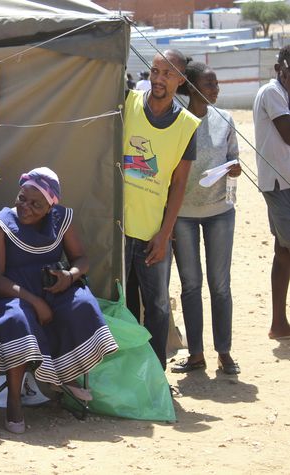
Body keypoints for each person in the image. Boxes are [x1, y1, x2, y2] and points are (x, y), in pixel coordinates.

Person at [0, 167, 118, 434]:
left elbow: (82, 259)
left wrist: (69, 276)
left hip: (52, 287)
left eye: (36, 204)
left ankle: (64, 373)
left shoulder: (62, 219)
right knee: (18, 318)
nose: (26, 207)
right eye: (22, 198)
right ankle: (14, 400)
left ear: (50, 206)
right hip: (9, 293)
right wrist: (35, 301)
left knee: (82, 304)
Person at [123, 49, 201, 369]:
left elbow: (179, 185)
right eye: (155, 71)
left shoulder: (186, 125)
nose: (158, 79)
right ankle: (128, 375)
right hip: (120, 228)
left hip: (153, 232)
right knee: (123, 306)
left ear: (180, 81)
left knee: (156, 307)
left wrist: (165, 233)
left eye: (168, 74)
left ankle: (156, 377)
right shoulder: (127, 104)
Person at [170, 61, 242, 375]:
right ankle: (196, 353)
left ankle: (223, 351)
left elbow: (233, 160)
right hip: (183, 215)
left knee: (220, 285)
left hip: (220, 214)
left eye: (216, 83)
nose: (216, 89)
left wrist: (234, 169)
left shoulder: (226, 119)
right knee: (190, 285)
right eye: (210, 83)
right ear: (193, 87)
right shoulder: (177, 122)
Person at [252, 45, 290, 341]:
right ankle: (279, 323)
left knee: (283, 250)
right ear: (281, 68)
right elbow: (287, 134)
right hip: (278, 184)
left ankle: (279, 324)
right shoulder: (272, 92)